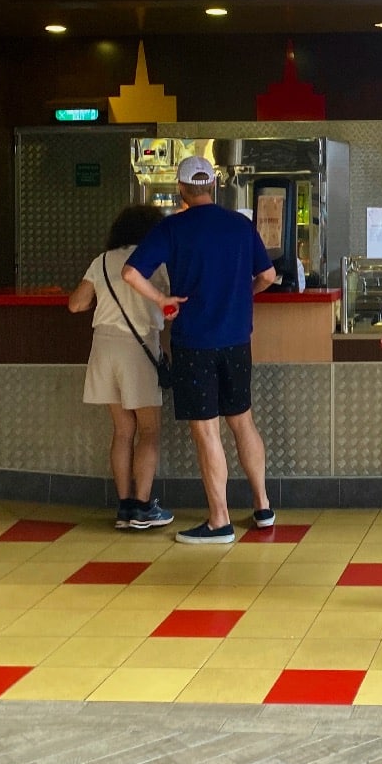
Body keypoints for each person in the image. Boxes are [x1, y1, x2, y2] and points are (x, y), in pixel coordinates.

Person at [123, 155, 279, 544]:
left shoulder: (172, 228)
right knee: (243, 421)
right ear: (213, 186)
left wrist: (161, 299)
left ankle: (219, 521)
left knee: (207, 432)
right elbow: (269, 276)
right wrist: (244, 293)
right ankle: (262, 507)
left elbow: (130, 272)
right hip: (237, 340)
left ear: (181, 189)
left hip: (194, 343)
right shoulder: (240, 225)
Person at [66, 204, 175, 531]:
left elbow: (76, 304)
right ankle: (143, 508)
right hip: (137, 348)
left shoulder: (101, 261)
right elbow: (174, 300)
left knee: (123, 430)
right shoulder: (155, 260)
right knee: (150, 430)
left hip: (103, 349)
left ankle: (125, 506)